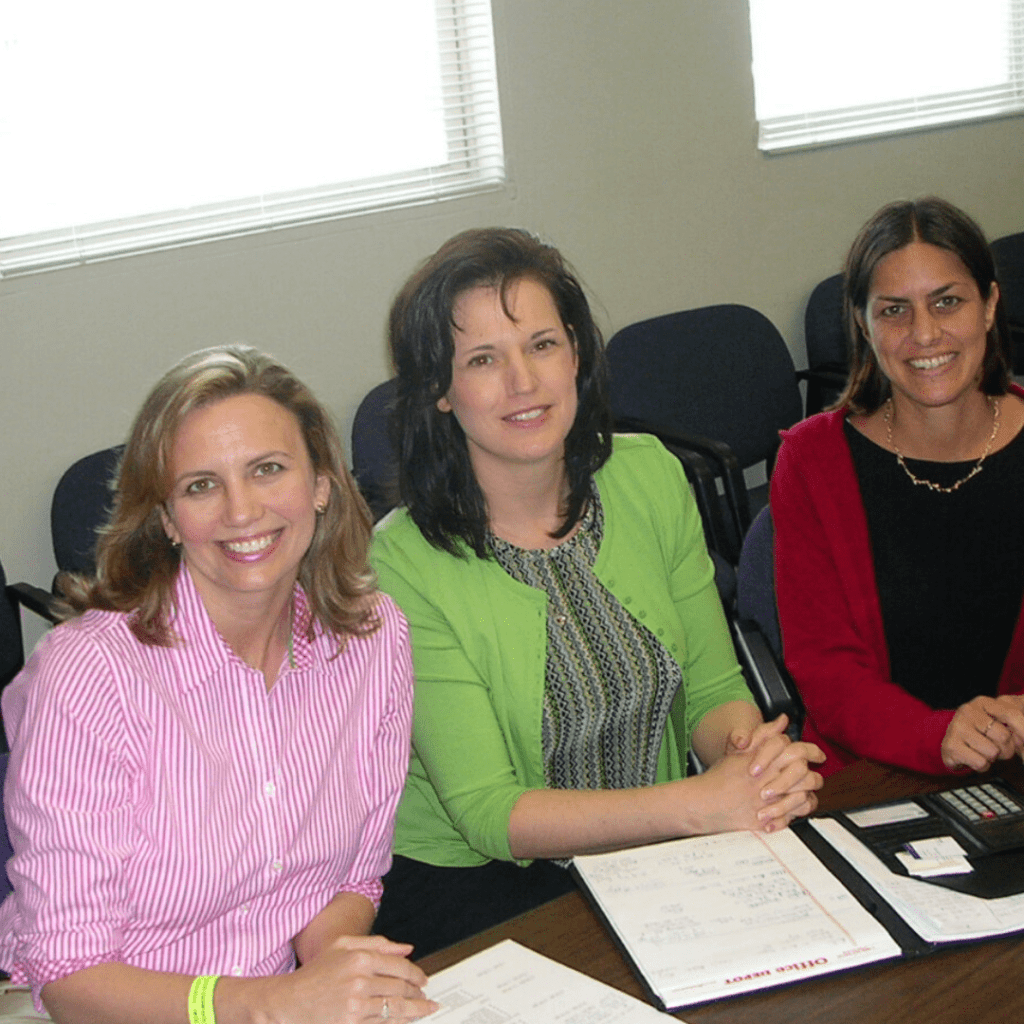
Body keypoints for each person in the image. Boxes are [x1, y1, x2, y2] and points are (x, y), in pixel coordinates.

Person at [370, 227, 824, 955]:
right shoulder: (401, 563)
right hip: (485, 883)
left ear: (577, 355)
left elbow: (711, 688)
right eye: (483, 359)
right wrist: (697, 806)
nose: (523, 381)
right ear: (440, 393)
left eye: (542, 344)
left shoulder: (647, 478)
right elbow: (491, 812)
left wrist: (748, 762)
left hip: (660, 838)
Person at [0, 347, 437, 1023]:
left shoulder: (372, 638)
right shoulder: (89, 677)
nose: (242, 511)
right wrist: (270, 1004)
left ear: (322, 482)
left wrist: (340, 980)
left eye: (268, 469)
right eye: (201, 485)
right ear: (167, 518)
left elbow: (351, 878)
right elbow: (68, 976)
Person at [772, 196, 1024, 778]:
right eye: (894, 311)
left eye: (948, 302)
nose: (925, 333)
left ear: (988, 306)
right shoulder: (812, 463)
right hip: (874, 781)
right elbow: (827, 671)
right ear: (862, 323)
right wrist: (936, 736)